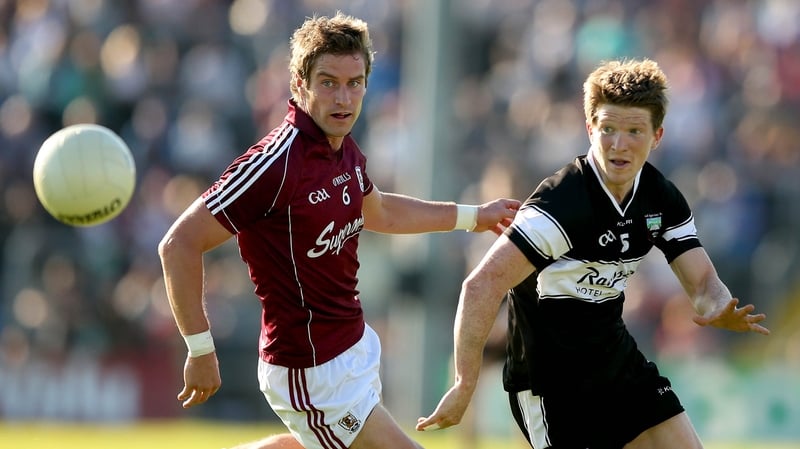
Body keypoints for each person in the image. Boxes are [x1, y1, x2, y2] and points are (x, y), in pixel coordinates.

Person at [157, 12, 520, 449]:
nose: (343, 97)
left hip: (351, 349)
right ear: (299, 83)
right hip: (310, 371)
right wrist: (199, 348)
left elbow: (381, 212)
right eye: (328, 82)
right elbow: (179, 244)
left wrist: (472, 216)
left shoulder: (342, 149)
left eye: (355, 82)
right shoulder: (274, 164)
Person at [416, 58, 770, 448]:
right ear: (590, 129)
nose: (619, 144)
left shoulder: (660, 198)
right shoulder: (560, 205)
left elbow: (701, 280)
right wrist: (465, 384)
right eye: (608, 129)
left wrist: (717, 304)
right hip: (550, 381)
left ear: (657, 136)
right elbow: (481, 283)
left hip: (618, 363)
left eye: (634, 131)